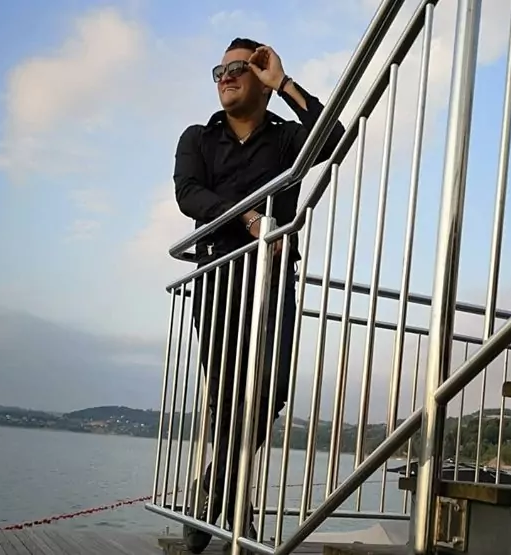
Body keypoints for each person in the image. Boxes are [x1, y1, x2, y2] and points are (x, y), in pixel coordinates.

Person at [172, 37, 345, 553]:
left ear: (260, 77)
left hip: (272, 279)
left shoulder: (287, 138)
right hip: (219, 275)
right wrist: (249, 217)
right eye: (219, 70)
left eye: (238, 68)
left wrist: (284, 83)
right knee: (229, 393)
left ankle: (213, 487)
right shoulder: (198, 138)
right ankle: (235, 506)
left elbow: (333, 138)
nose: (225, 77)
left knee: (272, 387)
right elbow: (188, 193)